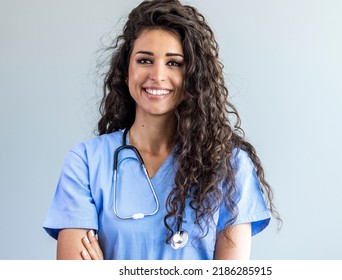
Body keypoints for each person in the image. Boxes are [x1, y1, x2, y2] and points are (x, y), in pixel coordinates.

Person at [43, 0, 280, 260]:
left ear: (193, 75)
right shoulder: (86, 162)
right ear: (125, 71)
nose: (157, 75)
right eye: (145, 60)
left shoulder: (231, 167)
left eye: (174, 63)